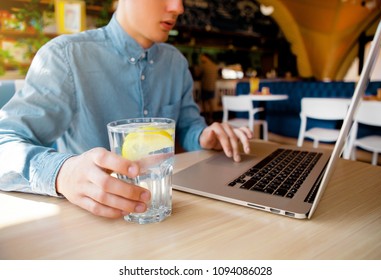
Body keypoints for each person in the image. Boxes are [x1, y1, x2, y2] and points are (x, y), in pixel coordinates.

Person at [0, 0, 252, 219]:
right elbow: (5, 141)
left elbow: (186, 125)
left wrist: (203, 136)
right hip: (93, 224)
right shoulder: (66, 57)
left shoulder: (175, 62)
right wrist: (61, 173)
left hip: (169, 211)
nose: (178, 8)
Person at [198, 53, 219, 124]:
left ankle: (205, 117)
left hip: (205, 86)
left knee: (204, 102)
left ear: (205, 57)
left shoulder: (203, 65)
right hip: (212, 87)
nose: (201, 59)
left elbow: (197, 74)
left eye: (201, 57)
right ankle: (211, 117)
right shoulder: (214, 65)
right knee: (210, 102)